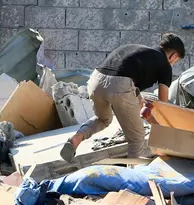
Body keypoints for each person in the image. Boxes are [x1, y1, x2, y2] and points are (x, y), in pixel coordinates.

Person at [61, 33, 186, 161]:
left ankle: (76, 138)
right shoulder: (164, 64)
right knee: (137, 139)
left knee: (103, 119)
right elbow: (163, 104)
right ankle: (132, 177)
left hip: (95, 81)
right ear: (174, 55)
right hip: (119, 85)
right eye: (175, 61)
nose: (172, 64)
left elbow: (132, 89)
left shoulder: (140, 52)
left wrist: (142, 106)